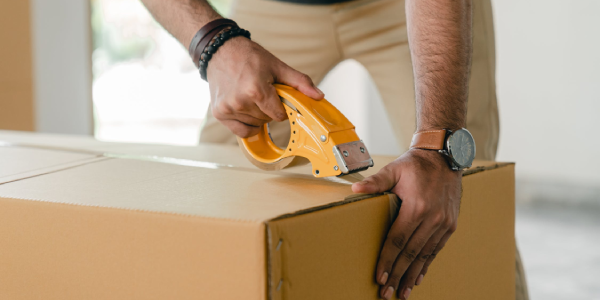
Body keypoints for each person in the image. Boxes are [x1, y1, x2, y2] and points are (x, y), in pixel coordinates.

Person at [141, 0, 528, 299]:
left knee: (464, 191)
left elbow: (443, 157)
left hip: (409, 11)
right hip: (275, 8)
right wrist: (215, 42)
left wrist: (438, 146)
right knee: (222, 178)